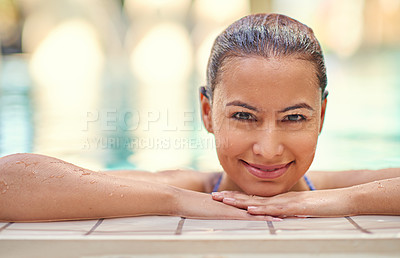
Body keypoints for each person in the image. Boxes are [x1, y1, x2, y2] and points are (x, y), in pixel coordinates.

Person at [0, 13, 399, 222]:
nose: (268, 148)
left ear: (323, 115)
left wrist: (329, 203)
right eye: (244, 115)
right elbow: (9, 181)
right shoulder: (185, 186)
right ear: (207, 113)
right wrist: (183, 203)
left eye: (294, 118)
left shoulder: (330, 188)